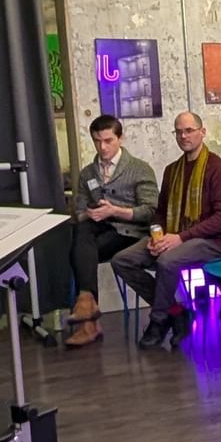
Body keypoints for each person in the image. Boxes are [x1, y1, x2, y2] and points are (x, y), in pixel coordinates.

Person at [111, 112, 221, 350]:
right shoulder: (172, 170)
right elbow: (160, 212)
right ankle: (175, 312)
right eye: (178, 131)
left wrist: (180, 238)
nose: (183, 136)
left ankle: (158, 321)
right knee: (122, 260)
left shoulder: (219, 169)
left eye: (189, 130)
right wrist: (156, 236)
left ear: (202, 132)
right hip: (173, 237)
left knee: (167, 261)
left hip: (209, 242)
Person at [59, 113, 158, 348]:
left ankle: (88, 318)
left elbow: (150, 211)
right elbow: (79, 210)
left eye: (108, 141)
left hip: (130, 233)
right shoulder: (87, 173)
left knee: (80, 250)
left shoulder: (139, 169)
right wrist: (89, 213)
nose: (102, 147)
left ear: (120, 139)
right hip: (99, 230)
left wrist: (114, 211)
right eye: (97, 141)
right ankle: (87, 305)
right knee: (82, 232)